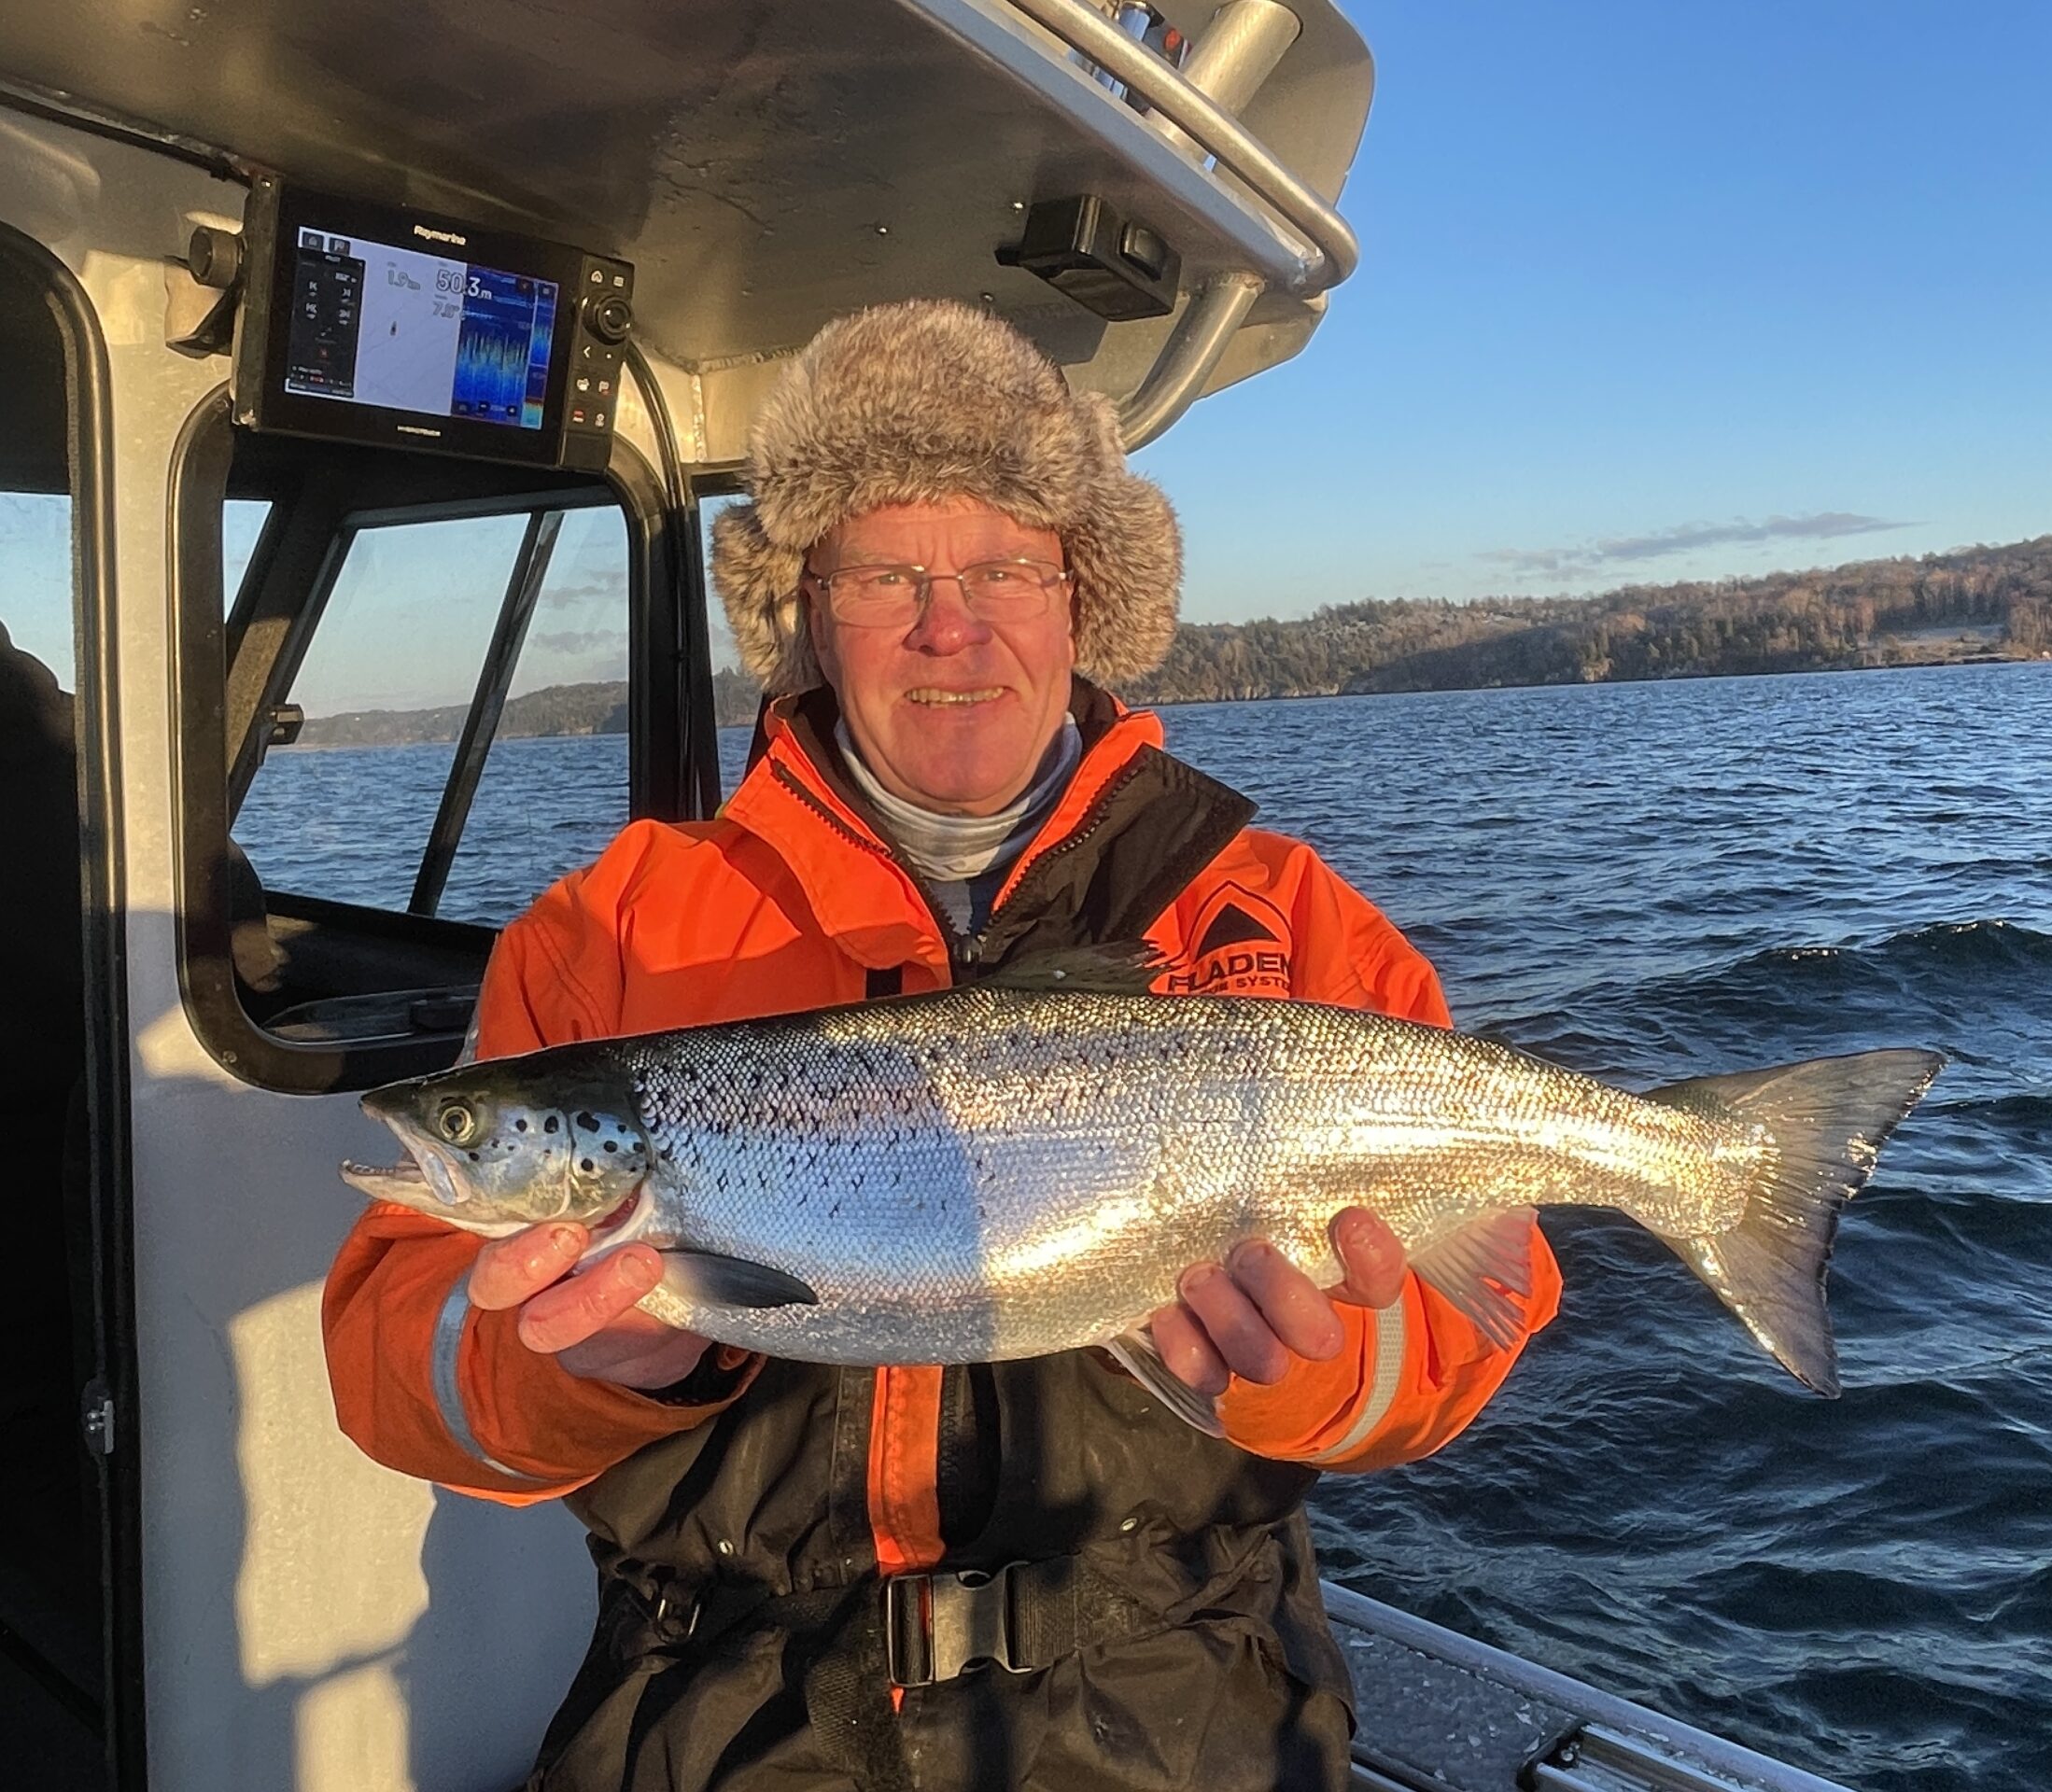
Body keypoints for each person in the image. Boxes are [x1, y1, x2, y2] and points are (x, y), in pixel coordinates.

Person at [322, 301, 1563, 1792]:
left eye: (1002, 567)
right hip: (731, 1713)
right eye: (887, 573)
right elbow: (390, 1378)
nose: (949, 623)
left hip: (1184, 1713)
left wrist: (1313, 1361)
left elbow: (1484, 1313)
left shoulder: (1285, 915)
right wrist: (599, 1371)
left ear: (1080, 599)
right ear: (807, 614)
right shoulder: (612, 933)